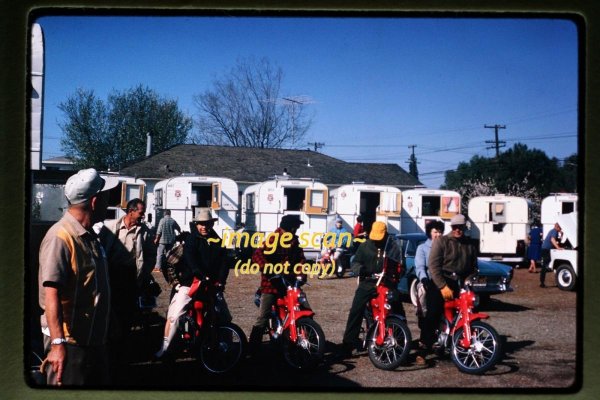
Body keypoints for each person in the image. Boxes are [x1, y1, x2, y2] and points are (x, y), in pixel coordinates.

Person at [38, 168, 117, 386]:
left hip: (93, 342)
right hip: (70, 346)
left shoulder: (89, 236)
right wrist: (57, 345)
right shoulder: (60, 236)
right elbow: (51, 293)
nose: (108, 201)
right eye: (105, 196)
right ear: (94, 202)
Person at [154, 208, 232, 358]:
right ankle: (165, 348)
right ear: (196, 224)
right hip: (191, 283)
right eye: (201, 224)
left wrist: (221, 281)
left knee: (225, 316)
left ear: (212, 224)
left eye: (207, 224)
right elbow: (189, 259)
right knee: (175, 315)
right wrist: (190, 277)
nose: (204, 227)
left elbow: (224, 263)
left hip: (211, 286)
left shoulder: (218, 242)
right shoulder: (190, 240)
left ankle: (226, 347)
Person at [340, 221, 404, 356]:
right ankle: (349, 342)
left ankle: (401, 339)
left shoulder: (393, 247)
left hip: (386, 282)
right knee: (356, 309)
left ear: (385, 234)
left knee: (397, 306)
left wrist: (396, 273)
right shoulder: (364, 246)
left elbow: (400, 265)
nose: (377, 241)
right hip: (368, 282)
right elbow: (355, 262)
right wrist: (360, 270)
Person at [248, 215, 307, 356]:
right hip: (271, 284)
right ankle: (252, 349)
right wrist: (268, 268)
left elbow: (301, 259)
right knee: (263, 316)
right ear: (290, 226)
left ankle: (304, 339)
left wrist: (301, 272)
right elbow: (257, 254)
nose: (297, 228)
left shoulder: (294, 240)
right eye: (296, 226)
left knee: (304, 308)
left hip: (289, 284)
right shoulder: (274, 238)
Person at [99, 198, 155, 348]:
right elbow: (99, 250)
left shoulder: (145, 232)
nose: (143, 216)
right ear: (131, 211)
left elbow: (151, 255)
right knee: (108, 310)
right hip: (110, 275)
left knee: (127, 312)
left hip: (131, 278)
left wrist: (144, 271)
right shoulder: (110, 227)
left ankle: (122, 343)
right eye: (141, 213)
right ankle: (108, 342)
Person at [427, 214, 478, 353]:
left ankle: (465, 343)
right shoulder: (442, 241)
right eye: (455, 227)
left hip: (460, 283)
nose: (458, 230)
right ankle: (424, 348)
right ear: (452, 227)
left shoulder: (469, 245)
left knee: (469, 311)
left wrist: (468, 281)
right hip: (441, 281)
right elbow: (433, 265)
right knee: (433, 313)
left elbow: (474, 267)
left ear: (464, 227)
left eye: (460, 227)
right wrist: (442, 286)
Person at [413, 220, 445, 365]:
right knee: (428, 316)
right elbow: (419, 266)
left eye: (439, 231)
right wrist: (424, 279)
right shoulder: (422, 248)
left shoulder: (445, 246)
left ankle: (440, 343)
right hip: (428, 283)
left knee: (445, 315)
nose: (437, 234)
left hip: (443, 285)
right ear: (429, 233)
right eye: (435, 231)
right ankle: (423, 348)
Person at [540, 222, 563, 288]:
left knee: (545, 265)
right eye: (560, 227)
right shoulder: (554, 231)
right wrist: (558, 248)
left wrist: (561, 235)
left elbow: (557, 241)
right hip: (546, 250)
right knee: (545, 266)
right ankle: (542, 283)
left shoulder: (552, 231)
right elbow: (552, 240)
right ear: (557, 227)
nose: (561, 229)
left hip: (544, 249)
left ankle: (542, 282)